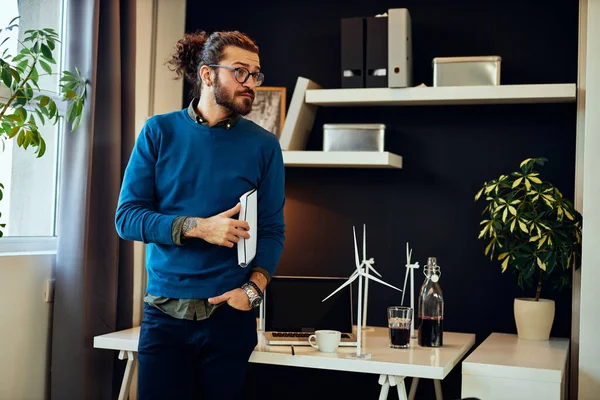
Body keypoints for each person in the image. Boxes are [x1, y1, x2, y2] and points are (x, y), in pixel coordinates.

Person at [115, 30, 285, 400]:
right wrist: (197, 227)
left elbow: (272, 230)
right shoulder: (158, 132)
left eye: (255, 74)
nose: (250, 83)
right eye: (240, 72)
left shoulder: (265, 146)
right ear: (208, 75)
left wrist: (253, 290)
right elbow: (127, 218)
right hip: (163, 316)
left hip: (230, 318)